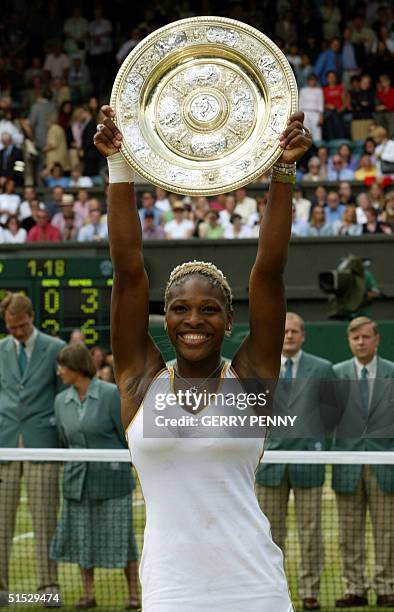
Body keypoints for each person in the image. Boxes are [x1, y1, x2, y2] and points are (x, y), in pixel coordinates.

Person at [93, 104, 311, 612]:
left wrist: (284, 171)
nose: (194, 320)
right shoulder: (139, 383)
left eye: (209, 309)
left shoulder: (252, 378)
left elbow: (268, 274)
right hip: (172, 592)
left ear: (229, 321)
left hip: (256, 590)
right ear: (163, 319)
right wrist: (119, 165)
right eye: (180, 309)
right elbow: (128, 273)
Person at [50, 343, 140, 609]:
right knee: (82, 538)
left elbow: (125, 436)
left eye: (62, 367)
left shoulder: (111, 394)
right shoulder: (60, 401)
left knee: (122, 538)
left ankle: (133, 593)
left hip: (112, 481)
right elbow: (64, 441)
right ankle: (88, 594)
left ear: (75, 367)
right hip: (77, 483)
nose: (58, 372)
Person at [256, 313, 335, 611]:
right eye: (284, 331)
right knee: (269, 535)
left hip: (308, 462)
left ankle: (310, 591)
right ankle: (272, 592)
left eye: (294, 331)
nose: (288, 336)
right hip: (269, 466)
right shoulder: (259, 367)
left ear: (303, 335)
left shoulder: (323, 368)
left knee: (311, 531)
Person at [0, 293, 65, 607]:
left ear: (31, 317)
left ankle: (48, 589)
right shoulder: (0, 350)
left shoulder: (54, 348)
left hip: (43, 443)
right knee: (1, 522)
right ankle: (2, 590)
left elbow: (63, 395)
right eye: (11, 328)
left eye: (21, 326)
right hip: (6, 445)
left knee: (44, 521)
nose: (16, 332)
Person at [332, 317, 394, 608]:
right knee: (349, 532)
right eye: (355, 338)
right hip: (347, 466)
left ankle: (386, 587)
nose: (361, 342)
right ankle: (355, 587)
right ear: (349, 341)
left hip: (385, 466)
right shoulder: (334, 374)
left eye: (366, 337)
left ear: (376, 339)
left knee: (386, 531)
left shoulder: (392, 373)